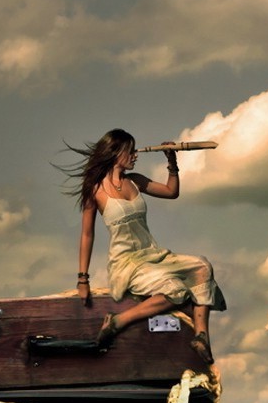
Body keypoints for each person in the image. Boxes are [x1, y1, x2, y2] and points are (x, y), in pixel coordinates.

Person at [62, 128, 225, 362]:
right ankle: (118, 321)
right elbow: (87, 235)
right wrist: (82, 279)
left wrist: (172, 161)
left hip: (153, 255)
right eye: (131, 150)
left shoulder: (135, 181)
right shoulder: (95, 190)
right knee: (175, 290)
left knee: (202, 267)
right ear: (116, 152)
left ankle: (201, 336)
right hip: (127, 262)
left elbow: (171, 192)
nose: (136, 155)